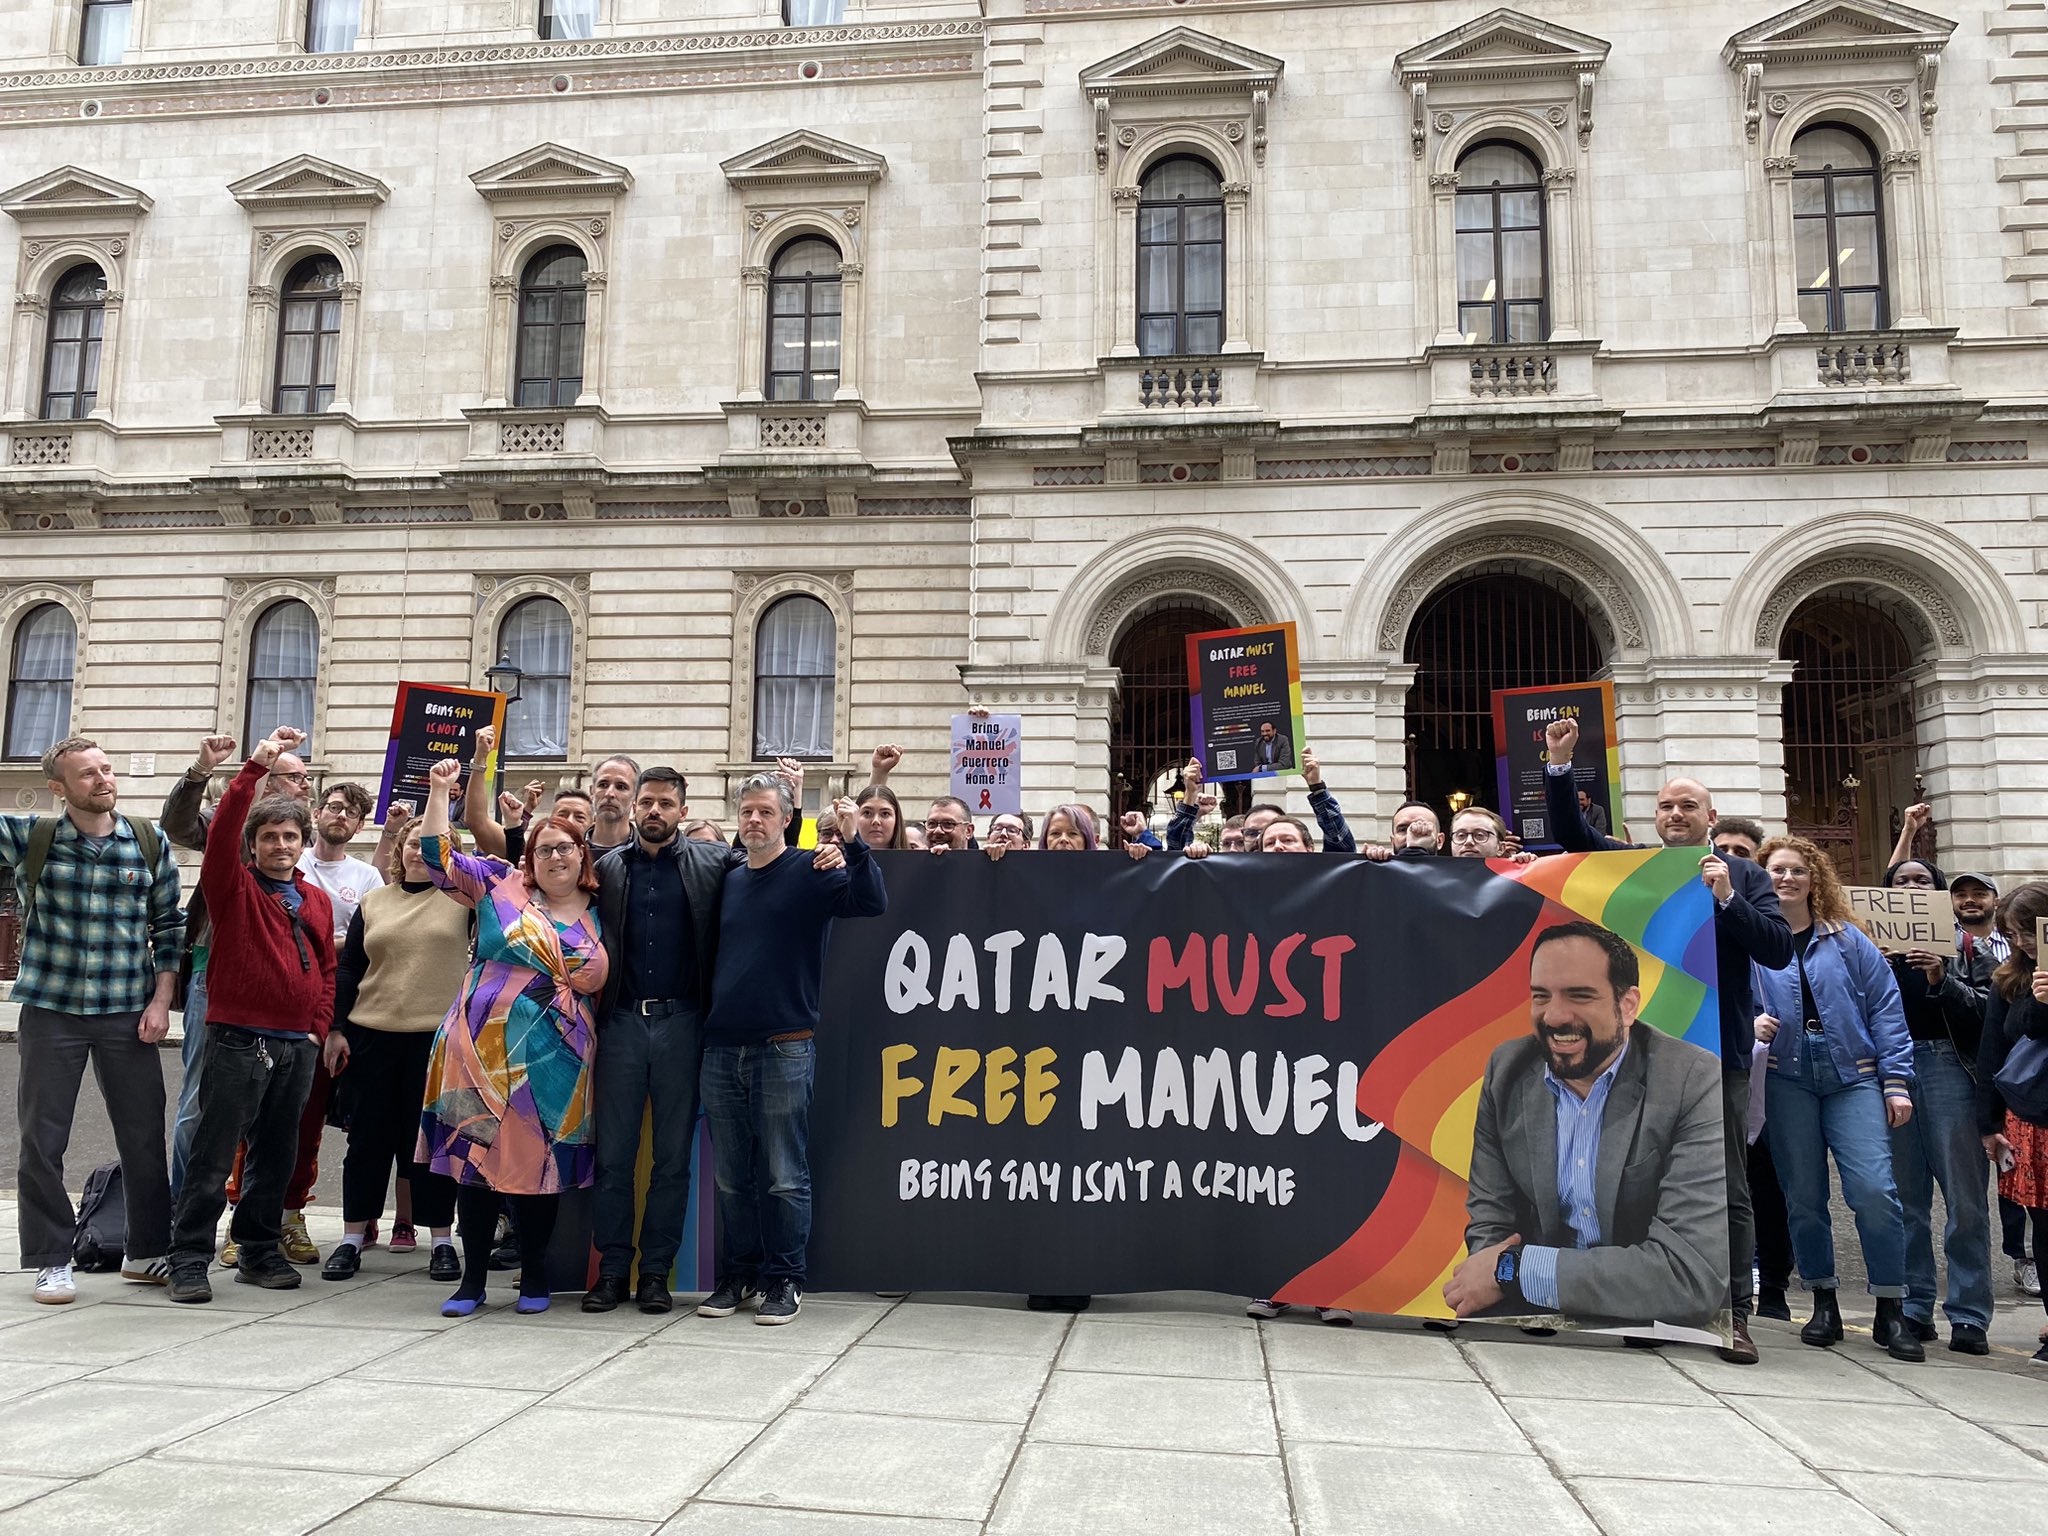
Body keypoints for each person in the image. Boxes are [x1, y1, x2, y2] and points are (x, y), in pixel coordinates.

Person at [1543, 716, 1793, 1365]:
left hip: (1716, 1057)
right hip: (1637, 1056)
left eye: (1688, 805)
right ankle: (1645, 1301)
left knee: (1727, 1187)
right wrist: (1561, 768)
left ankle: (1734, 1311)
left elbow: (1775, 948)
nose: (1675, 813)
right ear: (1654, 817)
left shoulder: (1742, 874)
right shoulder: (1637, 867)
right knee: (1638, 1180)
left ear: (1710, 815)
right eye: (1666, 805)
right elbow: (1571, 837)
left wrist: (1728, 899)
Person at [1445, 920, 1726, 1327]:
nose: (1555, 1016)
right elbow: (1491, 1223)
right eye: (1541, 996)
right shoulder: (1506, 1070)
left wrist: (1516, 1272)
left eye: (1580, 996)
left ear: (1627, 1006)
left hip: (1645, 1333)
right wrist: (1501, 1272)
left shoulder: (1690, 1079)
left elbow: (1689, 1276)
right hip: (1536, 1324)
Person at [417, 756, 608, 1316]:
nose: (555, 857)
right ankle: (471, 1282)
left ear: (583, 857)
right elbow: (436, 856)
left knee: (539, 1169)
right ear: (529, 858)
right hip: (478, 1049)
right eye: (544, 848)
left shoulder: (603, 910)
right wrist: (439, 792)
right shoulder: (500, 884)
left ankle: (535, 1278)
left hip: (560, 1059)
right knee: (475, 1165)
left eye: (566, 847)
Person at [697, 778, 885, 1326]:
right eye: (747, 811)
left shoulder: (811, 869)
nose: (754, 819)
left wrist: (853, 842)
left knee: (783, 1173)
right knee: (732, 1174)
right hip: (721, 1046)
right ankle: (739, 1275)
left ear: (786, 819)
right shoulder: (727, 879)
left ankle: (785, 1278)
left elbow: (871, 902)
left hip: (784, 1046)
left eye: (766, 812)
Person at [7, 737, 183, 1304]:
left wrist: (161, 1002)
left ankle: (148, 1251)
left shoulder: (147, 841)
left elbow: (169, 928)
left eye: (106, 769)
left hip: (128, 1011)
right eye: (87, 774)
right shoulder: (31, 837)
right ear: (59, 788)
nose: (103, 779)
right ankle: (50, 1259)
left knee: (142, 1137)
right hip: (51, 1008)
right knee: (41, 1140)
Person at [167, 727, 338, 1304]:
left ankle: (259, 1249)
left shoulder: (314, 898)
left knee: (276, 1154)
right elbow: (218, 839)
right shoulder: (232, 888)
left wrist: (316, 1027)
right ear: (253, 843)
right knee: (215, 1153)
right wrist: (253, 767)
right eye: (269, 837)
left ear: (302, 841)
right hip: (238, 1038)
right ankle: (188, 1255)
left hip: (296, 1044)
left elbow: (328, 968)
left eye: (291, 836)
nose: (281, 845)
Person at [1749, 835, 1921, 1362]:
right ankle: (1824, 1301)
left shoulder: (1847, 939)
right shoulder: (1754, 942)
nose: (1787, 879)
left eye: (1798, 870)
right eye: (1776, 870)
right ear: (1762, 878)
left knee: (1874, 1191)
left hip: (1854, 1075)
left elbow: (1886, 1009)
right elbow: (1731, 998)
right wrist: (1750, 1022)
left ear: (1814, 878)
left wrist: (1896, 1081)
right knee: (1802, 1196)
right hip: (1786, 1077)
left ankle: (1891, 1309)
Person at [585, 766, 731, 1314]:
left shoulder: (716, 864)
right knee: (614, 1157)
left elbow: (773, 871)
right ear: (633, 807)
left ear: (682, 811)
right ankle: (612, 1271)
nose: (653, 811)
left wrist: (834, 844)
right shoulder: (603, 870)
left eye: (665, 804)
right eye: (646, 801)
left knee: (672, 1159)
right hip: (620, 1023)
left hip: (684, 1023)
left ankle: (654, 1275)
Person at [160, 731, 315, 1203]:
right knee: (200, 1103)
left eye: (307, 779)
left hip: (278, 995)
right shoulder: (233, 827)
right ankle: (181, 1213)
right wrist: (202, 771)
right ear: (268, 783)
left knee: (271, 1117)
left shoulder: (299, 846)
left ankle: (252, 1228)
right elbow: (178, 825)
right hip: (219, 978)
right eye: (296, 778)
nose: (306, 786)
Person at [319, 824, 469, 1284]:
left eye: (430, 847)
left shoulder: (464, 902)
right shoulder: (375, 902)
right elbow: (350, 967)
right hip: (372, 1036)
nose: (417, 853)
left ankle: (441, 1241)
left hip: (437, 1040)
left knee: (429, 1145)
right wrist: (337, 1028)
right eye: (411, 844)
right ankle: (351, 1237)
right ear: (399, 850)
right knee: (366, 1142)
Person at [1878, 857, 1994, 1354]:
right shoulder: (1870, 948)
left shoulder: (1968, 946)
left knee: (1965, 1200)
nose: (1910, 886)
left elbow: (1991, 1012)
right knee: (1905, 1200)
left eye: (1921, 881)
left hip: (1950, 1069)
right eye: (1900, 881)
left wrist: (1942, 979)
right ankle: (1914, 1307)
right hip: (1892, 1072)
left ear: (1937, 892)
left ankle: (1969, 1315)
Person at [1976, 882, 2048, 1363]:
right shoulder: (2010, 979)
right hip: (2032, 1119)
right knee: (2043, 1227)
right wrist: (1987, 1122)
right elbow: (1993, 1052)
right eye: (2014, 932)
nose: (2022, 941)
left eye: (2029, 930)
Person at [854, 784, 909, 851]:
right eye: (867, 813)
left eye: (885, 813)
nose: (876, 821)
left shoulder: (913, 860)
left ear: (896, 819)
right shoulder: (841, 859)